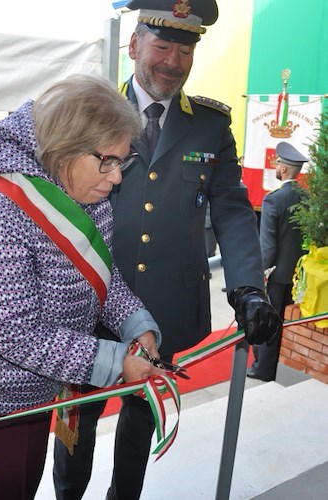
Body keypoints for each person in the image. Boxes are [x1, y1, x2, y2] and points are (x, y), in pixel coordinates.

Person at [52, 2, 283, 500]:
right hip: (87, 306)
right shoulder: (86, 114)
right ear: (134, 45)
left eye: (185, 50)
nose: (173, 62)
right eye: (162, 46)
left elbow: (232, 210)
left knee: (142, 417)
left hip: (164, 308)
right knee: (77, 423)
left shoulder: (208, 125)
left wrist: (247, 288)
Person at [0, 74, 165, 499]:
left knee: (24, 483)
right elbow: (18, 336)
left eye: (123, 160)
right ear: (64, 150)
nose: (117, 176)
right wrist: (116, 361)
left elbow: (102, 275)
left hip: (35, 383)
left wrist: (134, 323)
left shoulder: (86, 195)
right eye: (107, 160)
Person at [247, 142, 308, 382]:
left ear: (283, 169)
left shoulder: (274, 199)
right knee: (287, 320)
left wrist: (260, 273)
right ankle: (278, 365)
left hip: (275, 275)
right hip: (296, 273)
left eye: (278, 163)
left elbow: (268, 244)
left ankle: (263, 368)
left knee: (268, 321)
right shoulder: (306, 197)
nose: (277, 166)